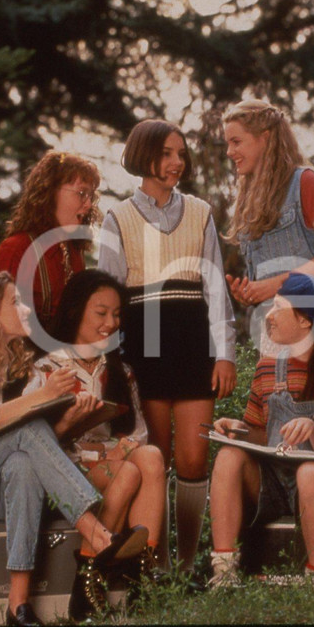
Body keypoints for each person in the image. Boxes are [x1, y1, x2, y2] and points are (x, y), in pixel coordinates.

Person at [0, 272, 148, 626]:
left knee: (22, 461)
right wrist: (42, 398)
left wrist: (72, 414)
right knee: (26, 430)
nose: (24, 309)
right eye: (13, 302)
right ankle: (96, 533)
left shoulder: (20, 364)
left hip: (1, 486)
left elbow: (43, 441)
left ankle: (18, 606)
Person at [97, 119, 237, 578]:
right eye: (167, 153)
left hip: (194, 345)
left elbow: (216, 289)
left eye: (181, 154)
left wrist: (225, 354)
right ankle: (153, 563)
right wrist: (114, 363)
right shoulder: (117, 218)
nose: (177, 162)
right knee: (157, 453)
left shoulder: (200, 212)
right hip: (144, 348)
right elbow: (109, 298)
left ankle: (188, 563)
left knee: (195, 458)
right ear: (144, 156)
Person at [36, 269, 168, 618]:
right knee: (129, 470)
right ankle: (90, 574)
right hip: (69, 472)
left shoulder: (120, 370)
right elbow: (36, 444)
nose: (111, 322)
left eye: (117, 314)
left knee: (150, 457)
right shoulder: (49, 367)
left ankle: (139, 576)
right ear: (76, 311)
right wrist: (76, 429)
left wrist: (120, 449)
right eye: (101, 313)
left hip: (114, 462)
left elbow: (139, 432)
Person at [207, 272, 314, 588]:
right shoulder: (268, 365)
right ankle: (224, 573)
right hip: (270, 483)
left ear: (306, 321)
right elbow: (259, 432)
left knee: (308, 471)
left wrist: (313, 430)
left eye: (278, 307)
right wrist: (238, 429)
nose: (269, 315)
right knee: (228, 455)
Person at [221, 99, 314, 353]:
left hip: (313, 321)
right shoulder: (248, 196)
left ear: (265, 138)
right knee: (274, 394)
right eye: (228, 143)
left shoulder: (304, 181)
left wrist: (274, 285)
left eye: (236, 142)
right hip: (273, 325)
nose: (229, 152)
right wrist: (252, 292)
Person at [0, 151, 103, 335]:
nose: (89, 204)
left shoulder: (73, 252)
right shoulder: (16, 249)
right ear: (50, 193)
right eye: (81, 193)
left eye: (91, 196)